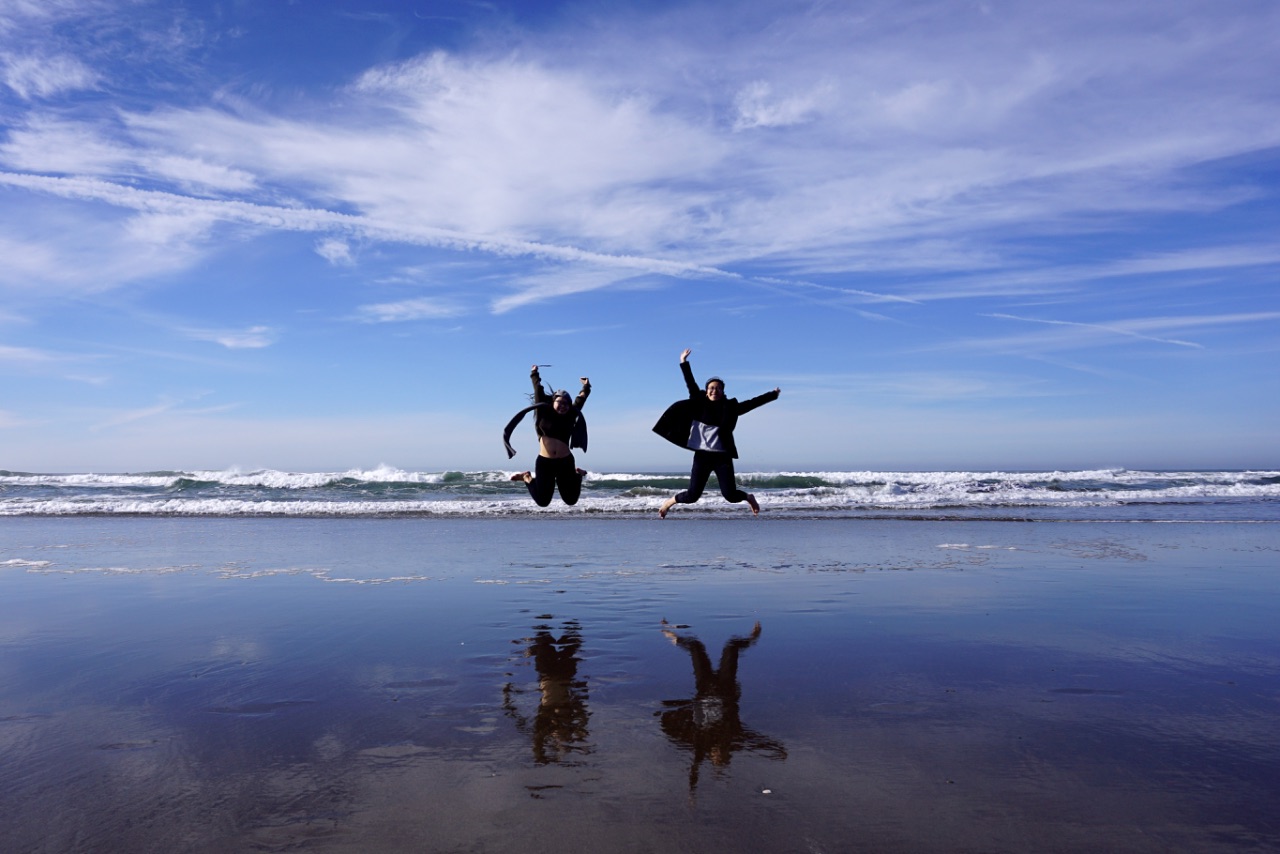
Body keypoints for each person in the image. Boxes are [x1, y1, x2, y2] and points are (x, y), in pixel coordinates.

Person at [653, 348, 779, 517]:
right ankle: (669, 503)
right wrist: (683, 361)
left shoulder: (730, 408)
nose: (714, 390)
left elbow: (751, 403)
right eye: (711, 388)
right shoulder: (698, 403)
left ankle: (749, 497)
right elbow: (690, 382)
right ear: (706, 391)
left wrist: (772, 395)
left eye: (718, 388)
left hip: (722, 457)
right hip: (702, 456)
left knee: (730, 495)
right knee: (692, 496)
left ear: (723, 391)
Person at [504, 365, 591, 506]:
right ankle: (526, 477)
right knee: (543, 501)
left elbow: (581, 399)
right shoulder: (543, 413)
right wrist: (534, 373)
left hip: (565, 462)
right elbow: (538, 389)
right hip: (546, 462)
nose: (563, 406)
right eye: (560, 402)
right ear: (553, 402)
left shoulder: (570, 417)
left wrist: (586, 387)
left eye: (566, 404)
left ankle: (578, 475)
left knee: (571, 500)